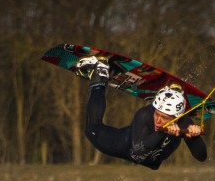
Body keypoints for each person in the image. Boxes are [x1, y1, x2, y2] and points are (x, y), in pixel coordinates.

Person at [76, 56, 207, 170]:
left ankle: (174, 92)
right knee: (91, 129)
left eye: (165, 117)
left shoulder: (183, 123)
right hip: (125, 145)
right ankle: (99, 77)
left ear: (176, 117)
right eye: (157, 114)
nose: (158, 120)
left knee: (156, 160)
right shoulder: (144, 115)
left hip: (153, 162)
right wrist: (162, 131)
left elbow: (201, 157)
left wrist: (194, 137)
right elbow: (139, 151)